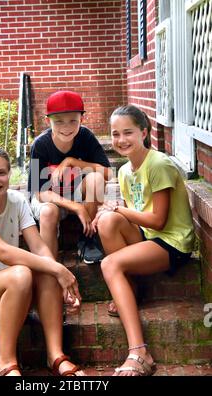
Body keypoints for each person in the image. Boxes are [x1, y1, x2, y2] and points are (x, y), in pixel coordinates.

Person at [0, 145, 86, 377]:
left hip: (11, 292)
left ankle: (55, 355)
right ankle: (6, 364)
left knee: (46, 266)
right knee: (26, 271)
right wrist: (58, 269)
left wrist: (57, 272)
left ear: (9, 175)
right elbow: (4, 252)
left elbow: (39, 246)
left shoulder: (16, 200)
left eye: (1, 172)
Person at [93, 105, 195, 376]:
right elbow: (132, 218)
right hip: (148, 237)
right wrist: (110, 213)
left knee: (109, 264)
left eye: (128, 132)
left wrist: (116, 209)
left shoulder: (159, 164)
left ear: (144, 132)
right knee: (107, 221)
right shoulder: (125, 171)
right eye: (115, 134)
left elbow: (158, 220)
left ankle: (139, 352)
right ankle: (131, 289)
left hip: (172, 242)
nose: (121, 139)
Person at [28, 90, 112, 264]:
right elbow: (39, 193)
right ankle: (49, 266)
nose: (66, 128)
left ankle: (88, 239)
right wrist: (77, 208)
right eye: (58, 121)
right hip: (50, 197)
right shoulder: (41, 145)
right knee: (48, 212)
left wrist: (71, 161)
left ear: (82, 119)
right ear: (47, 121)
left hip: (76, 192)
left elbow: (107, 173)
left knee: (95, 179)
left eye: (73, 120)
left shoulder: (85, 136)